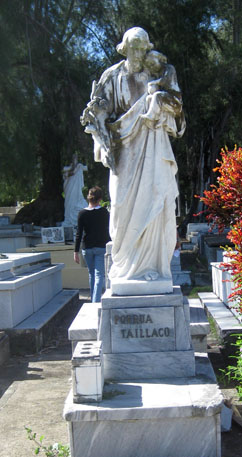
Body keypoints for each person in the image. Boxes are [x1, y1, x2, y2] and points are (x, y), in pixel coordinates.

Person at [80, 27, 185, 286]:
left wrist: (163, 99)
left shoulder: (156, 71)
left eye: (143, 47)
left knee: (155, 201)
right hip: (124, 150)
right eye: (134, 47)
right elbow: (98, 115)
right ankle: (126, 266)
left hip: (153, 145)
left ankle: (151, 267)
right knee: (120, 206)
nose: (139, 53)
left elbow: (177, 106)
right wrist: (102, 137)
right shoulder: (112, 76)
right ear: (124, 48)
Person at [73, 186, 111, 302]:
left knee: (91, 274)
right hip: (101, 246)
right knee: (99, 274)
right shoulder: (104, 212)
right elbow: (109, 230)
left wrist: (76, 251)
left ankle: (93, 298)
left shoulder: (82, 213)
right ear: (100, 199)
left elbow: (79, 234)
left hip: (87, 247)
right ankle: (95, 300)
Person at [62, 154, 88, 228]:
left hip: (77, 189)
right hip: (69, 188)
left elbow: (86, 168)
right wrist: (74, 167)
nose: (75, 159)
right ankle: (69, 220)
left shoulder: (80, 167)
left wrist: (78, 166)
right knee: (69, 203)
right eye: (74, 158)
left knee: (79, 203)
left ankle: (75, 221)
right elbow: (70, 172)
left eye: (76, 158)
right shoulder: (67, 168)